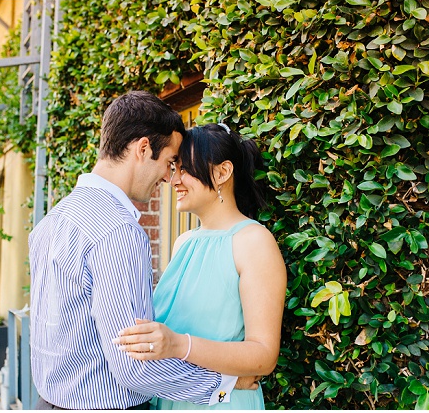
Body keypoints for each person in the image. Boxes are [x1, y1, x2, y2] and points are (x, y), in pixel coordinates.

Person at [29, 92, 259, 410]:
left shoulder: (53, 220)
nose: (169, 178)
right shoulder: (119, 231)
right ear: (142, 149)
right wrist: (223, 387)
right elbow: (135, 367)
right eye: (169, 163)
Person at [114, 123, 287, 410]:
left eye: (186, 169)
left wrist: (179, 345)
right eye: (175, 168)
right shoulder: (184, 242)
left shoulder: (253, 242)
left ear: (222, 172)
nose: (174, 180)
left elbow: (264, 355)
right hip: (172, 399)